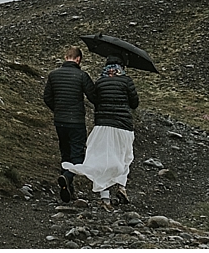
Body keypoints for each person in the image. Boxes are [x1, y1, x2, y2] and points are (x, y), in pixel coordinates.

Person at [61, 54, 139, 210]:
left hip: (102, 126)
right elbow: (134, 103)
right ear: (121, 67)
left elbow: (95, 99)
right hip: (123, 126)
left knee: (103, 160)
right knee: (125, 156)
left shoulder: (100, 82)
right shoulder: (126, 81)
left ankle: (105, 198)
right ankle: (121, 186)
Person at [42, 45, 97, 202]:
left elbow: (47, 97)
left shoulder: (53, 75)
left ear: (66, 57)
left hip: (60, 121)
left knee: (65, 153)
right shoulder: (82, 76)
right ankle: (67, 176)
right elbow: (93, 97)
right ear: (78, 59)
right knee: (78, 156)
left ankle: (67, 190)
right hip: (76, 121)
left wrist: (58, 109)